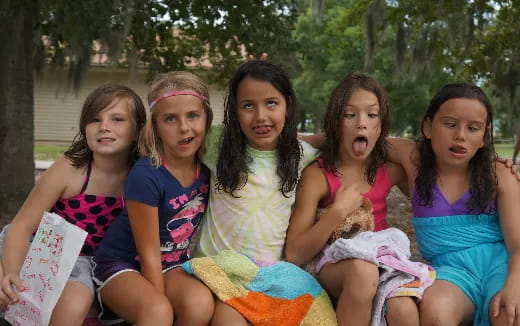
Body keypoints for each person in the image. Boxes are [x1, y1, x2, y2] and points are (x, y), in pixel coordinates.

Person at [285, 72, 426, 326]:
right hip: (333, 265)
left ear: (380, 126)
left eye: (372, 115)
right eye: (350, 115)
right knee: (363, 271)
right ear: (335, 123)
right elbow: (295, 252)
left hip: (382, 263)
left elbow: (429, 196)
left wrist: (406, 155)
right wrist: (337, 212)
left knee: (403, 307)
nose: (362, 123)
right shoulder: (318, 175)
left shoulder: (388, 170)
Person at [0, 84, 146, 325]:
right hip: (41, 250)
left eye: (117, 119)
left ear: (137, 129)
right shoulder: (70, 170)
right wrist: (15, 272)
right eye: (95, 119)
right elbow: (21, 227)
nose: (104, 127)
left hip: (91, 262)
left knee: (74, 304)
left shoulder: (141, 177)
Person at [192, 60, 318, 325]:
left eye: (271, 103)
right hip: (217, 272)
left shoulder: (301, 156)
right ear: (235, 111)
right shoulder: (216, 143)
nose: (260, 116)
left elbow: (339, 143)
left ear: (288, 106)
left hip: (269, 278)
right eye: (248, 105)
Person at [389, 83, 520, 325]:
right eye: (450, 124)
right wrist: (301, 139)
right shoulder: (414, 163)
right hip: (452, 273)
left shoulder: (498, 174)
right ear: (428, 127)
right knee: (436, 312)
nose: (460, 135)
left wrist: (514, 285)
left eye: (473, 128)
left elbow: (518, 245)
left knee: (509, 313)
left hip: (502, 267)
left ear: (484, 137)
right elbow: (357, 139)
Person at [92, 71, 214, 326]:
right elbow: (148, 256)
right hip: (121, 265)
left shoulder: (207, 170)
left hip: (171, 264)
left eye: (193, 115)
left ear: (207, 118)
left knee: (200, 303)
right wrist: (162, 306)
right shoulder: (147, 175)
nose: (184, 128)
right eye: (170, 119)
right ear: (155, 126)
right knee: (158, 311)